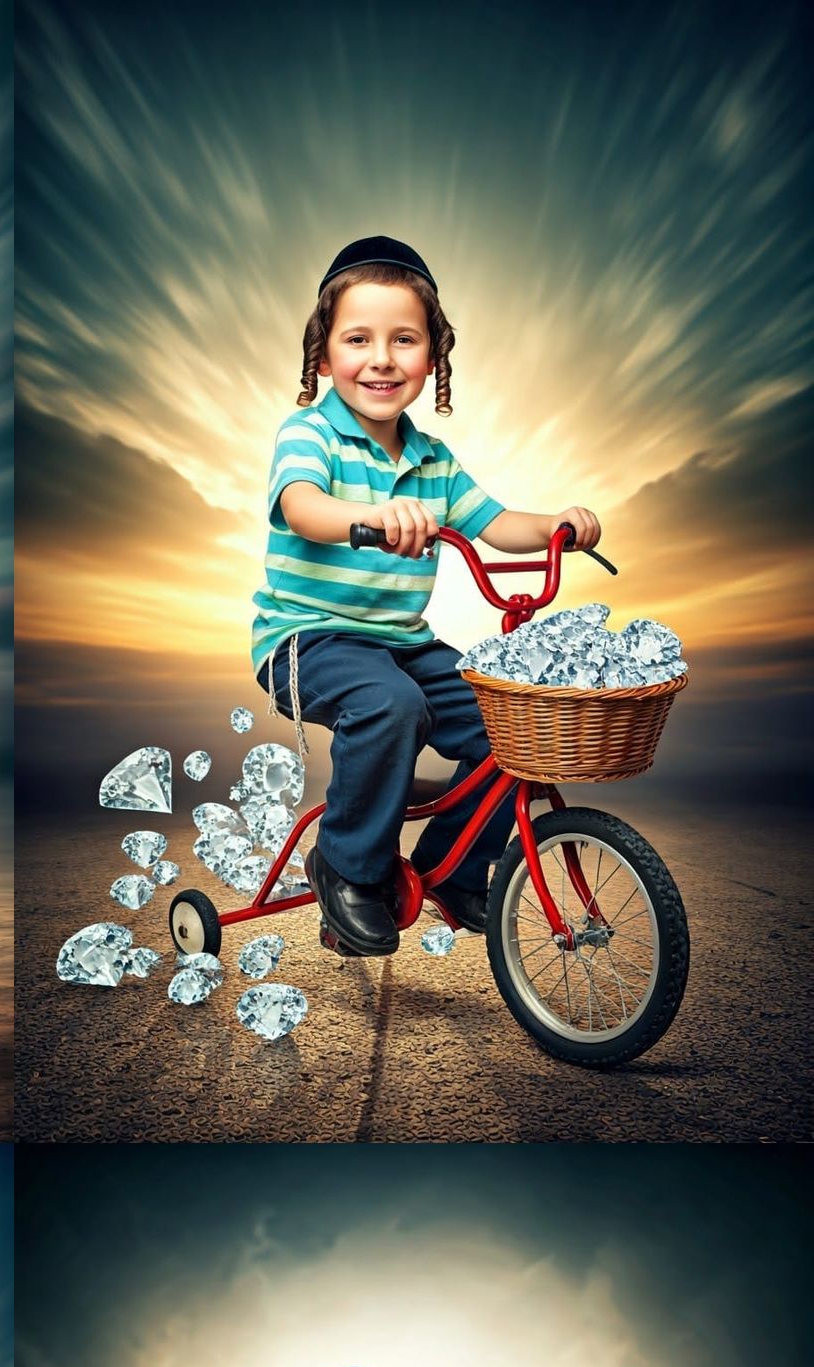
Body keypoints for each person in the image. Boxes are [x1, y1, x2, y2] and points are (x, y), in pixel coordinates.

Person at [251, 236, 602, 956]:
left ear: (433, 357)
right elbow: (301, 507)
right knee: (393, 705)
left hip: (401, 644)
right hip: (307, 640)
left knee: (509, 725)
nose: (381, 358)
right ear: (324, 356)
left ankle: (456, 870)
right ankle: (347, 866)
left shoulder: (433, 460)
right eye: (358, 339)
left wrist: (556, 524)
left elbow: (495, 523)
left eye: (404, 339)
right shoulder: (310, 434)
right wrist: (371, 516)